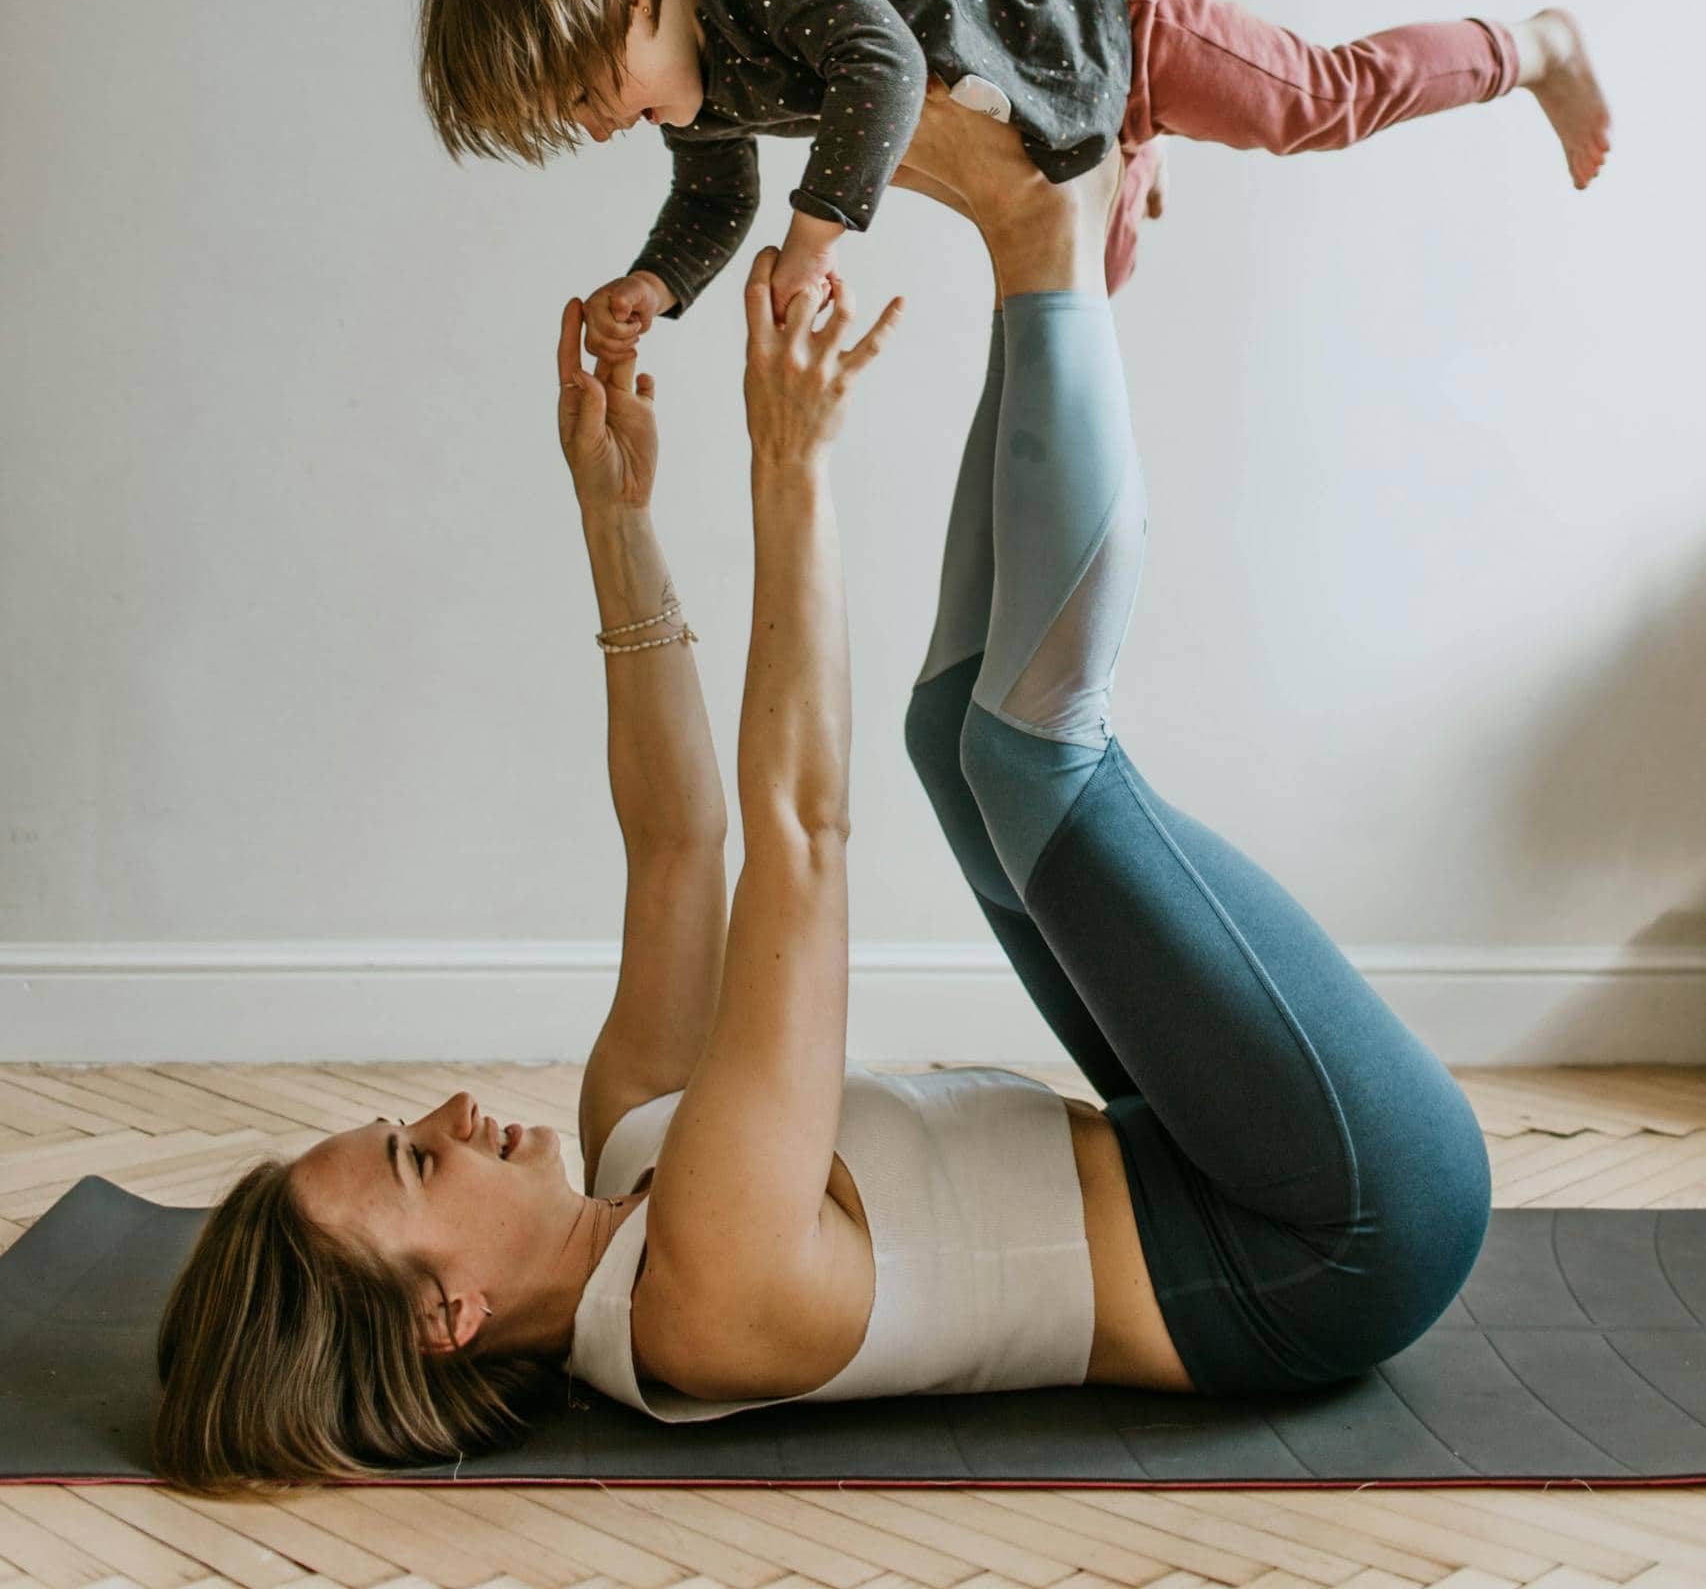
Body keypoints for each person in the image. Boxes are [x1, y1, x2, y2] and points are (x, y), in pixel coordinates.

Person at [152, 95, 1491, 1488]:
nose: (449, 1118)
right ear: (446, 1320)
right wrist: (790, 466)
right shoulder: (703, 1297)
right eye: (417, 1166)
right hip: (1332, 1235)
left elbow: (678, 842)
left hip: (1201, 1162)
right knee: (1033, 763)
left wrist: (615, 518)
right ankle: (1047, 247)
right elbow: (800, 842)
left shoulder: (631, 1143)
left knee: (946, 741)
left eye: (407, 1133)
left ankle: (1053, 274)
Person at [415, 0, 1611, 332]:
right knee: (1095, 293)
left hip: (1108, 23)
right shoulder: (694, 98)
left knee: (1310, 103)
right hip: (1050, 109)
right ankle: (1128, 146)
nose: (586, 124)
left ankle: (1530, 47)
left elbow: (879, 65)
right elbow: (716, 192)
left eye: (579, 90)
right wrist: (657, 283)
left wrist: (813, 238)